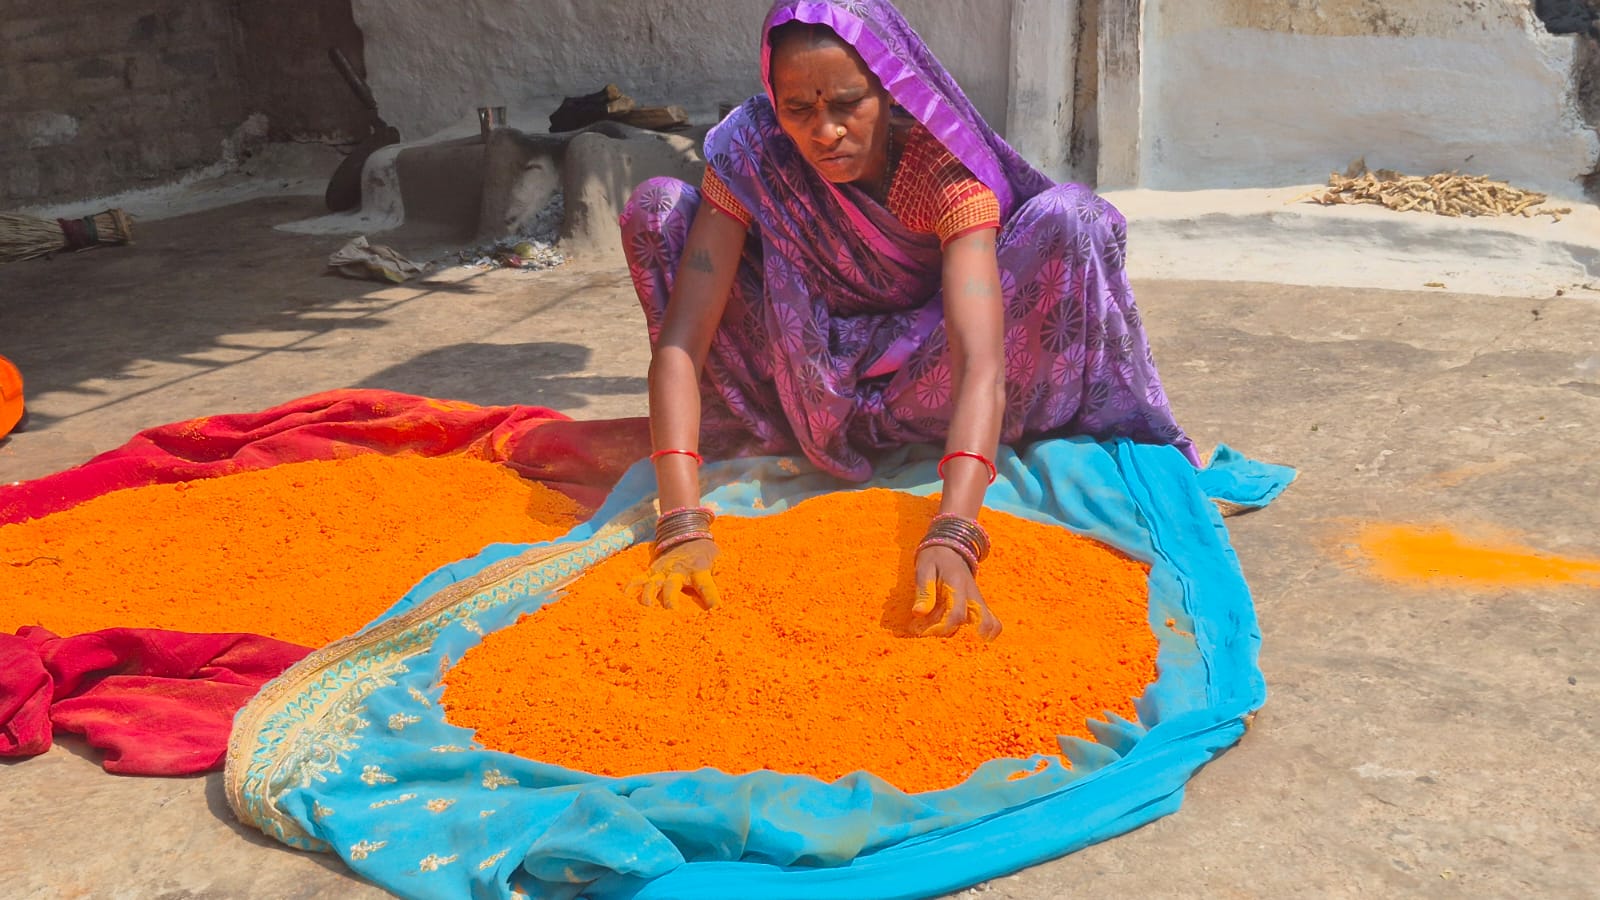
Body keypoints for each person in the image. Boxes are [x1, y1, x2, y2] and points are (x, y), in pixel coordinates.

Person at [620, 0, 1198, 639]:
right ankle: (798, 426)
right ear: (773, 104)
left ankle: (908, 438)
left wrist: (953, 533)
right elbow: (683, 340)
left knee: (1074, 217)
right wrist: (681, 523)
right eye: (799, 110)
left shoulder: (943, 174)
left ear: (890, 95)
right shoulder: (756, 152)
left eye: (848, 104)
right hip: (802, 376)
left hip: (928, 375)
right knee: (659, 208)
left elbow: (980, 363)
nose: (825, 132)